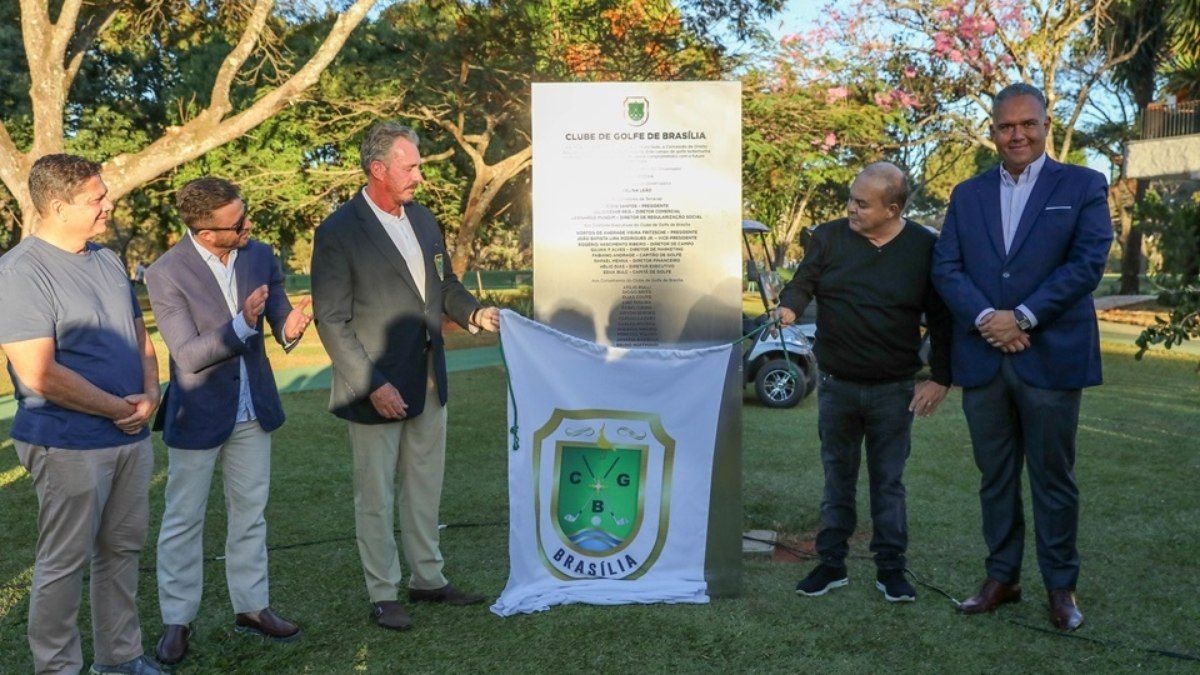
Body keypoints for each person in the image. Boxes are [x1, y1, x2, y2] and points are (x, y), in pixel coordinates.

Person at [932, 83, 1113, 631]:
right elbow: (946, 267)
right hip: (985, 358)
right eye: (1006, 126)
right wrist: (989, 319)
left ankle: (1062, 588)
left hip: (1050, 356)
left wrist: (1024, 316)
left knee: (1053, 478)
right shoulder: (967, 194)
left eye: (1027, 124)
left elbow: (1086, 263)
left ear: (1045, 125)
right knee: (995, 476)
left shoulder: (1082, 184)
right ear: (992, 131)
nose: (1017, 134)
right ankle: (1001, 579)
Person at [311, 121, 500, 631]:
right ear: (378, 170)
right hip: (375, 387)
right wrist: (373, 384)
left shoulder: (423, 220)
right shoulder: (337, 231)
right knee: (374, 493)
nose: (419, 174)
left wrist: (475, 313)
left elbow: (446, 284)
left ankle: (428, 579)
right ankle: (382, 592)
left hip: (430, 379)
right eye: (410, 166)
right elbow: (331, 321)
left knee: (425, 486)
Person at [0, 154, 162, 674]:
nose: (108, 205)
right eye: (96, 198)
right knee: (63, 564)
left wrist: (151, 393)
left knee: (121, 552)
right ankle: (57, 668)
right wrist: (121, 408)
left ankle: (120, 659)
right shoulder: (20, 272)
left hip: (130, 437)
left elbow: (140, 337)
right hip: (67, 441)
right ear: (57, 206)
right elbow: (39, 373)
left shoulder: (110, 259)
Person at [145, 177, 313, 665]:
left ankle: (253, 608)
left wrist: (289, 327)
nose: (248, 226)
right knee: (183, 520)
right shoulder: (165, 272)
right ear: (204, 229)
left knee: (250, 514)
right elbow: (189, 355)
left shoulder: (259, 254)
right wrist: (243, 322)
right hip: (196, 413)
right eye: (237, 223)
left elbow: (279, 315)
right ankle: (178, 620)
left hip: (252, 409)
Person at [775, 162, 952, 603]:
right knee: (838, 477)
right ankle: (831, 563)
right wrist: (789, 307)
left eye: (861, 203)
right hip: (836, 385)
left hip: (894, 390)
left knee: (888, 483)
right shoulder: (829, 237)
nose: (850, 208)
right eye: (851, 199)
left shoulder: (924, 248)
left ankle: (890, 569)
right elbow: (803, 282)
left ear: (892, 209)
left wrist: (941, 378)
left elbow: (945, 319)